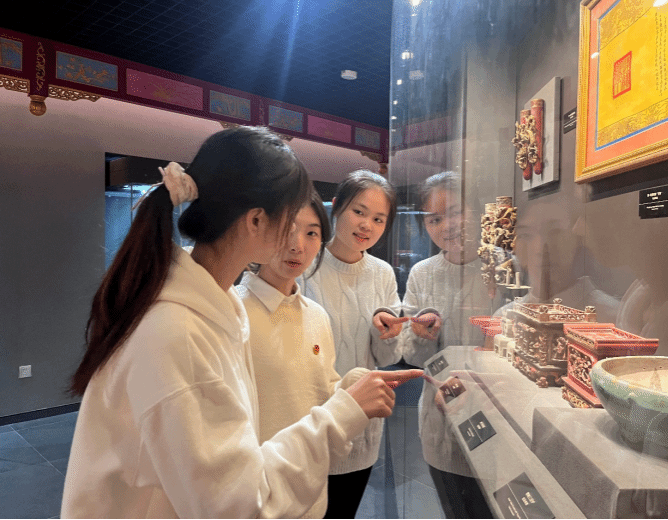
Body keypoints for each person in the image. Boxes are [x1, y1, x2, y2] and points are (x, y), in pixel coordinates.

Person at [61, 126, 421, 519]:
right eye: (291, 218)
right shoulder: (178, 331)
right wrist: (341, 414)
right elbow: (237, 504)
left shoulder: (216, 306)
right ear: (257, 220)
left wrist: (345, 394)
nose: (297, 241)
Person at [238, 189, 380, 518]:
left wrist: (353, 387)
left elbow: (321, 392)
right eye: (286, 230)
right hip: (257, 497)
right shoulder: (235, 313)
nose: (297, 245)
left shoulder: (315, 315)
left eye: (312, 233)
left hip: (312, 491)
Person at [298, 170, 408, 519]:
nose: (366, 225)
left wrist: (387, 333)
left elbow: (388, 357)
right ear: (336, 207)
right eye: (359, 212)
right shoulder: (305, 264)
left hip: (361, 422)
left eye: (378, 219)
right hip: (310, 418)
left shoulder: (383, 273)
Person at [401, 171, 492, 519]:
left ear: (476, 211)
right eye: (434, 219)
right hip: (439, 418)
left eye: (455, 212)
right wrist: (421, 335)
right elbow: (412, 356)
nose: (447, 225)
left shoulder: (502, 266)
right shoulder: (422, 273)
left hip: (493, 413)